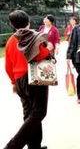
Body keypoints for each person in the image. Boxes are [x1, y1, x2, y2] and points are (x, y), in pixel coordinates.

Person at [5, 10, 52, 149]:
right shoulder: (34, 36)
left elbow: (8, 65)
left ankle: (34, 146)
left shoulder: (11, 40)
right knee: (39, 112)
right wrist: (48, 48)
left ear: (12, 25)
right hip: (34, 77)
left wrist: (13, 82)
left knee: (29, 113)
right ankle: (13, 145)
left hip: (19, 80)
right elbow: (39, 56)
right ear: (28, 21)